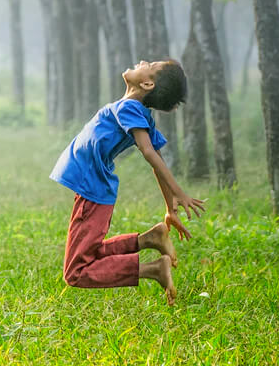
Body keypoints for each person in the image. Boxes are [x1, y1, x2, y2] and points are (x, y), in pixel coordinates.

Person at [50, 59, 206, 304]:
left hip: (92, 190)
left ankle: (153, 270)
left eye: (150, 64)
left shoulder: (131, 108)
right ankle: (149, 239)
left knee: (76, 272)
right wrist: (169, 209)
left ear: (147, 83)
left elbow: (149, 152)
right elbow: (157, 157)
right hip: (92, 188)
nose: (143, 61)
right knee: (89, 254)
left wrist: (178, 193)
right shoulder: (134, 110)